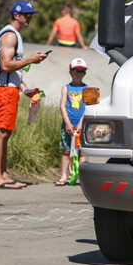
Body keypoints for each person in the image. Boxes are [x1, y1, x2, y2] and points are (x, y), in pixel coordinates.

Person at [0, 1, 47, 190]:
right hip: (4, 90)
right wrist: (31, 59)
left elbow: (11, 70)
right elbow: (5, 65)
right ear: (16, 15)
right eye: (26, 14)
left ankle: (3, 174)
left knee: (6, 132)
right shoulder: (9, 35)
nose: (29, 17)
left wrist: (24, 88)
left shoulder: (14, 35)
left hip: (10, 88)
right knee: (0, 132)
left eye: (31, 14)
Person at [56, 58, 88, 186]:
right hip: (68, 125)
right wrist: (68, 123)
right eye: (76, 71)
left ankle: (81, 177)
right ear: (70, 72)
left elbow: (87, 107)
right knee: (66, 151)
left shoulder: (87, 88)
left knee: (81, 151)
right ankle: (64, 175)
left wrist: (81, 124)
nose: (79, 73)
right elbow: (62, 105)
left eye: (82, 71)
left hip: (82, 126)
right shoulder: (66, 88)